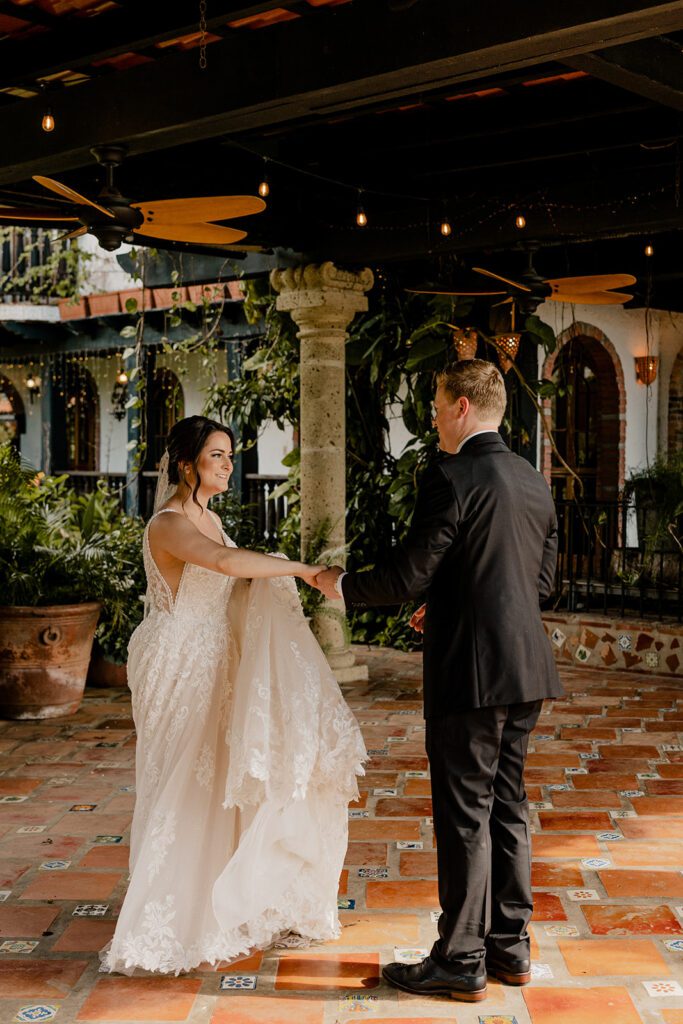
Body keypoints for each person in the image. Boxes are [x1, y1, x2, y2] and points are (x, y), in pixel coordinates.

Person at [315, 359, 563, 1003]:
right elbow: (538, 586)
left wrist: (337, 584)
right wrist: (452, 599)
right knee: (508, 806)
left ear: (460, 407)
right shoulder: (535, 481)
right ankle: (511, 948)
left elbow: (404, 576)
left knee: (465, 818)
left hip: (471, 674)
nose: (430, 414)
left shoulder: (451, 476)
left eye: (434, 401)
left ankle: (459, 958)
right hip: (526, 668)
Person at [101, 415, 366, 975]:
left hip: (216, 656)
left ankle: (218, 900)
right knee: (180, 778)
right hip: (177, 659)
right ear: (185, 464)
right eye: (216, 455)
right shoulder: (168, 523)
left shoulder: (212, 518)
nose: (227, 464)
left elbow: (233, 575)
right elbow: (222, 563)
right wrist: (303, 569)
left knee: (218, 777)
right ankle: (168, 915)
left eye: (228, 455)